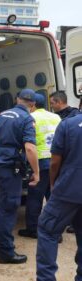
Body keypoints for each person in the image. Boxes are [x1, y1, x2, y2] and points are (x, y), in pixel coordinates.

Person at [25, 112, 82, 281]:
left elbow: (55, 161)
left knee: (48, 230)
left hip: (68, 188)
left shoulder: (68, 125)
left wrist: (53, 184)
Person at [0, 88, 39, 264]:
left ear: (17, 100)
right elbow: (30, 148)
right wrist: (36, 173)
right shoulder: (27, 119)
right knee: (8, 209)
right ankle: (6, 252)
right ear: (32, 105)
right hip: (9, 168)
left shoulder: (1, 115)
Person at [18, 93, 61, 238]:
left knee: (35, 197)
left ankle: (32, 229)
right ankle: (56, 231)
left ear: (33, 104)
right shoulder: (56, 117)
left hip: (41, 162)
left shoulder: (31, 118)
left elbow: (29, 143)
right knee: (53, 198)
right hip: (57, 161)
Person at [50, 90, 79, 234]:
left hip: (67, 162)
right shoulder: (57, 117)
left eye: (52, 103)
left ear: (58, 102)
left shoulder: (73, 117)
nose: (51, 106)